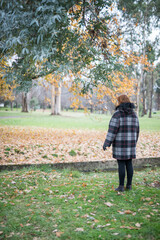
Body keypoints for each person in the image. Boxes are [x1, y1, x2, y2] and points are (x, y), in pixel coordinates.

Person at [103, 95, 139, 192]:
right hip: (131, 144)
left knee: (121, 164)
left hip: (120, 144)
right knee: (129, 163)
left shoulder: (117, 114)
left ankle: (121, 186)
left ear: (120, 102)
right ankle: (129, 185)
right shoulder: (134, 114)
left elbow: (112, 131)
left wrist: (107, 143)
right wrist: (134, 142)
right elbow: (137, 130)